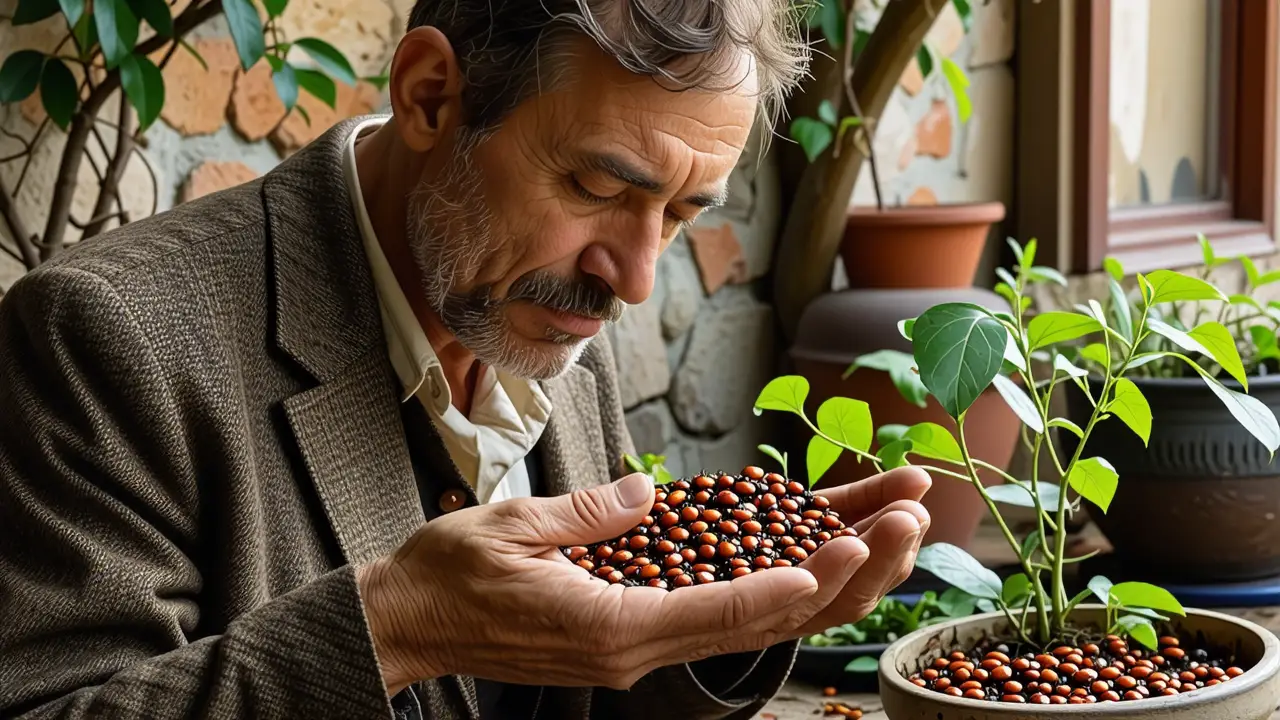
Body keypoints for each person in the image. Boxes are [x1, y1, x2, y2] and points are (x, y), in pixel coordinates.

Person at [0, 1, 932, 718]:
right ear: (429, 95)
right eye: (597, 186)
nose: (636, 278)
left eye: (682, 214)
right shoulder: (107, 335)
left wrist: (723, 626)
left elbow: (578, 687)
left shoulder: (547, 304)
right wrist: (396, 627)